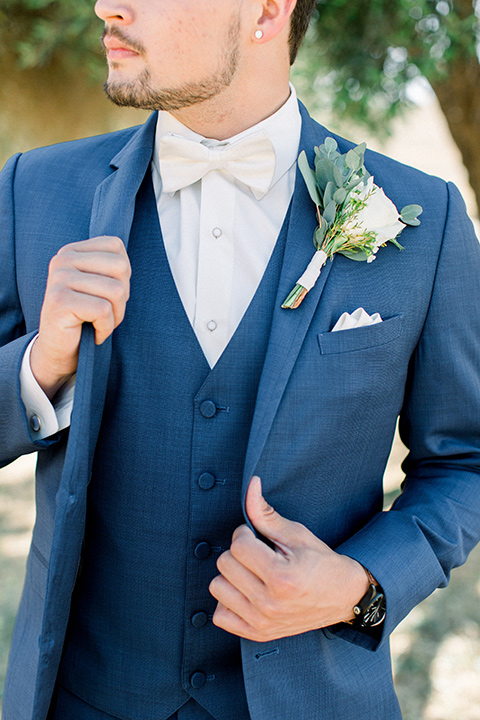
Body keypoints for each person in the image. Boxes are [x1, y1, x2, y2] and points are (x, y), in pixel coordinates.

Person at [1, 0, 480, 718]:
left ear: (265, 12)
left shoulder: (423, 216)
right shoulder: (34, 191)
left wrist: (360, 585)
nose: (107, 5)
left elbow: (466, 461)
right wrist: (41, 365)